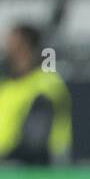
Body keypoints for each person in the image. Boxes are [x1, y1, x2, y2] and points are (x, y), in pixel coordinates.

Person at [0, 24, 72, 165]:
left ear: (26, 47)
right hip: (8, 171)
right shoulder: (7, 86)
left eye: (12, 44)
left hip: (39, 171)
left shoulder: (47, 84)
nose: (6, 49)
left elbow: (35, 141)